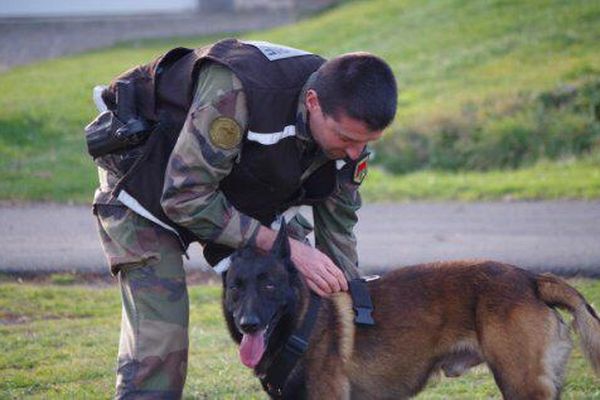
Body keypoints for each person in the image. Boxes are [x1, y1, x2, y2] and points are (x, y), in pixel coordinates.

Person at [91, 38, 397, 398]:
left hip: (240, 188)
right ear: (313, 103)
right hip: (148, 185)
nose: (355, 152)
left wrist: (348, 302)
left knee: (299, 292)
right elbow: (184, 198)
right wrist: (287, 248)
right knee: (163, 339)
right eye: (346, 138)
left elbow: (339, 226)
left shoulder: (347, 123)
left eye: (366, 142)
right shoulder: (234, 93)